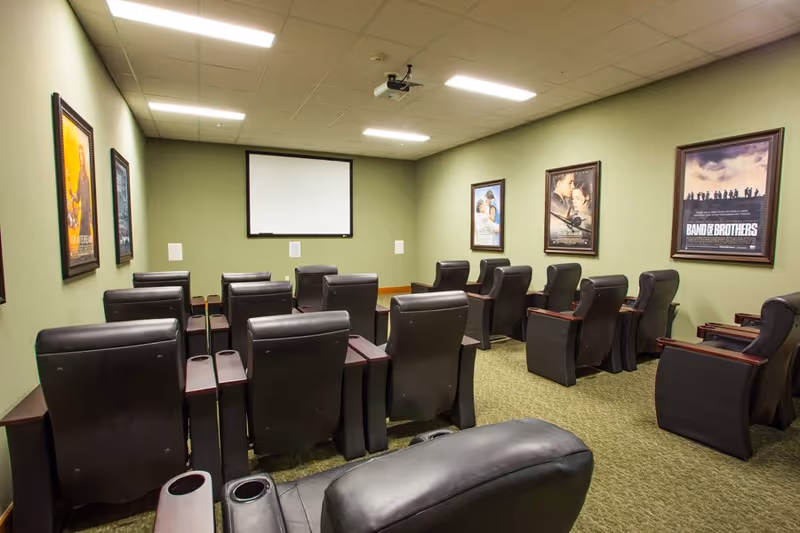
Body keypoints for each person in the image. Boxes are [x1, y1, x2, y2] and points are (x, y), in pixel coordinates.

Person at [76, 144, 92, 253]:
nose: (81, 157)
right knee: (82, 234)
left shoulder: (86, 176)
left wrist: (90, 214)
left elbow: (88, 196)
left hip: (86, 212)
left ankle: (86, 252)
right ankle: (84, 253)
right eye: (79, 155)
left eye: (82, 154)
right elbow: (77, 197)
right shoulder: (79, 175)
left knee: (86, 233)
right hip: (83, 213)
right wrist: (70, 189)